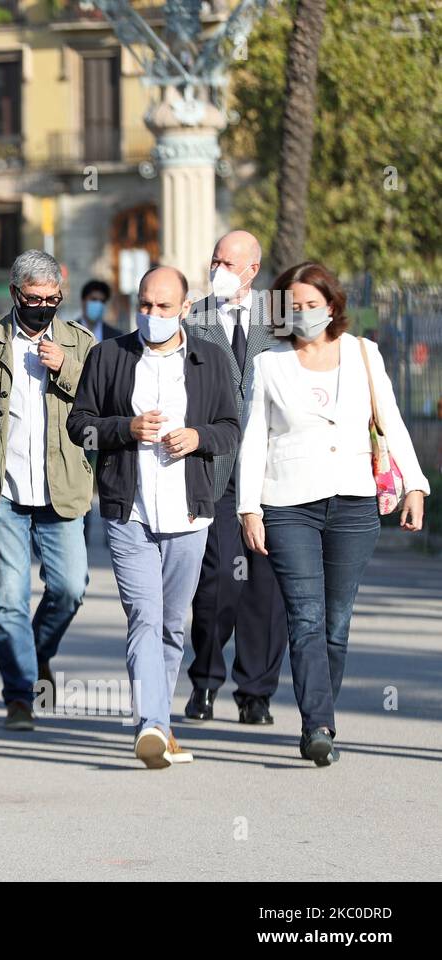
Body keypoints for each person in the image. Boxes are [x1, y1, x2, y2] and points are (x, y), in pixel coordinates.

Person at [238, 261, 429, 766]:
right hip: (287, 503)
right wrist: (248, 507)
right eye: (294, 307)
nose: (304, 314)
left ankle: (320, 709)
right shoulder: (269, 364)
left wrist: (416, 485)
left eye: (312, 304)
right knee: (305, 616)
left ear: (332, 305)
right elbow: (254, 437)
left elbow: (391, 421)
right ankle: (317, 724)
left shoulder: (365, 354)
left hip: (353, 500)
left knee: (336, 622)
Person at [67, 266, 239, 769]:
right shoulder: (109, 357)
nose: (153, 315)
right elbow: (82, 428)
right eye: (145, 305)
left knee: (170, 625)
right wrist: (127, 428)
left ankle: (161, 726)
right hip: (128, 512)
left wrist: (197, 439)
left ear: (186, 308)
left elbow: (231, 429)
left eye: (164, 307)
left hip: (189, 515)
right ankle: (153, 726)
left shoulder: (210, 360)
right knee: (144, 617)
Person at [0, 250, 95, 731]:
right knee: (9, 600)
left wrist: (67, 369)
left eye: (52, 298)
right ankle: (19, 694)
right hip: (2, 491)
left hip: (63, 490)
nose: (43, 306)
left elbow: (102, 409)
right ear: (15, 293)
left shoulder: (81, 343)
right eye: (34, 298)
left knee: (70, 587)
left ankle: (37, 655)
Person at [183, 230, 288, 725]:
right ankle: (204, 681)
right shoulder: (193, 318)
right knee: (221, 579)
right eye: (215, 260)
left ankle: (256, 693)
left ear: (253, 269)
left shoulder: (283, 315)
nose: (218, 268)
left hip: (271, 472)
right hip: (217, 470)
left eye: (229, 263)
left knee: (264, 587)